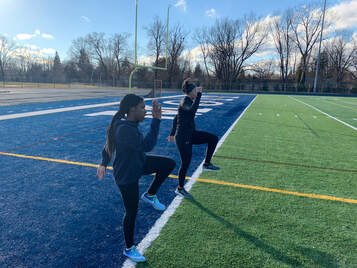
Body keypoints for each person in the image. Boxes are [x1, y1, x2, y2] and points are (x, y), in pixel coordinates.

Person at [97, 94, 175, 263]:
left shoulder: (127, 124)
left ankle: (150, 194)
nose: (145, 111)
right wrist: (156, 120)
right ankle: (129, 248)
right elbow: (146, 146)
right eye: (142, 108)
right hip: (127, 175)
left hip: (138, 164)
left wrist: (103, 163)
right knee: (131, 212)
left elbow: (109, 143)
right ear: (132, 109)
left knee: (168, 164)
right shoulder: (125, 129)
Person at [168, 78, 220, 198]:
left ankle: (206, 164)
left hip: (190, 134)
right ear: (190, 92)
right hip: (182, 137)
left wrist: (171, 133)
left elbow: (176, 117)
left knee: (213, 138)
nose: (197, 92)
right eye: (195, 90)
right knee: (186, 163)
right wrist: (199, 96)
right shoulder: (185, 101)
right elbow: (191, 112)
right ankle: (180, 188)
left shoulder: (188, 101)